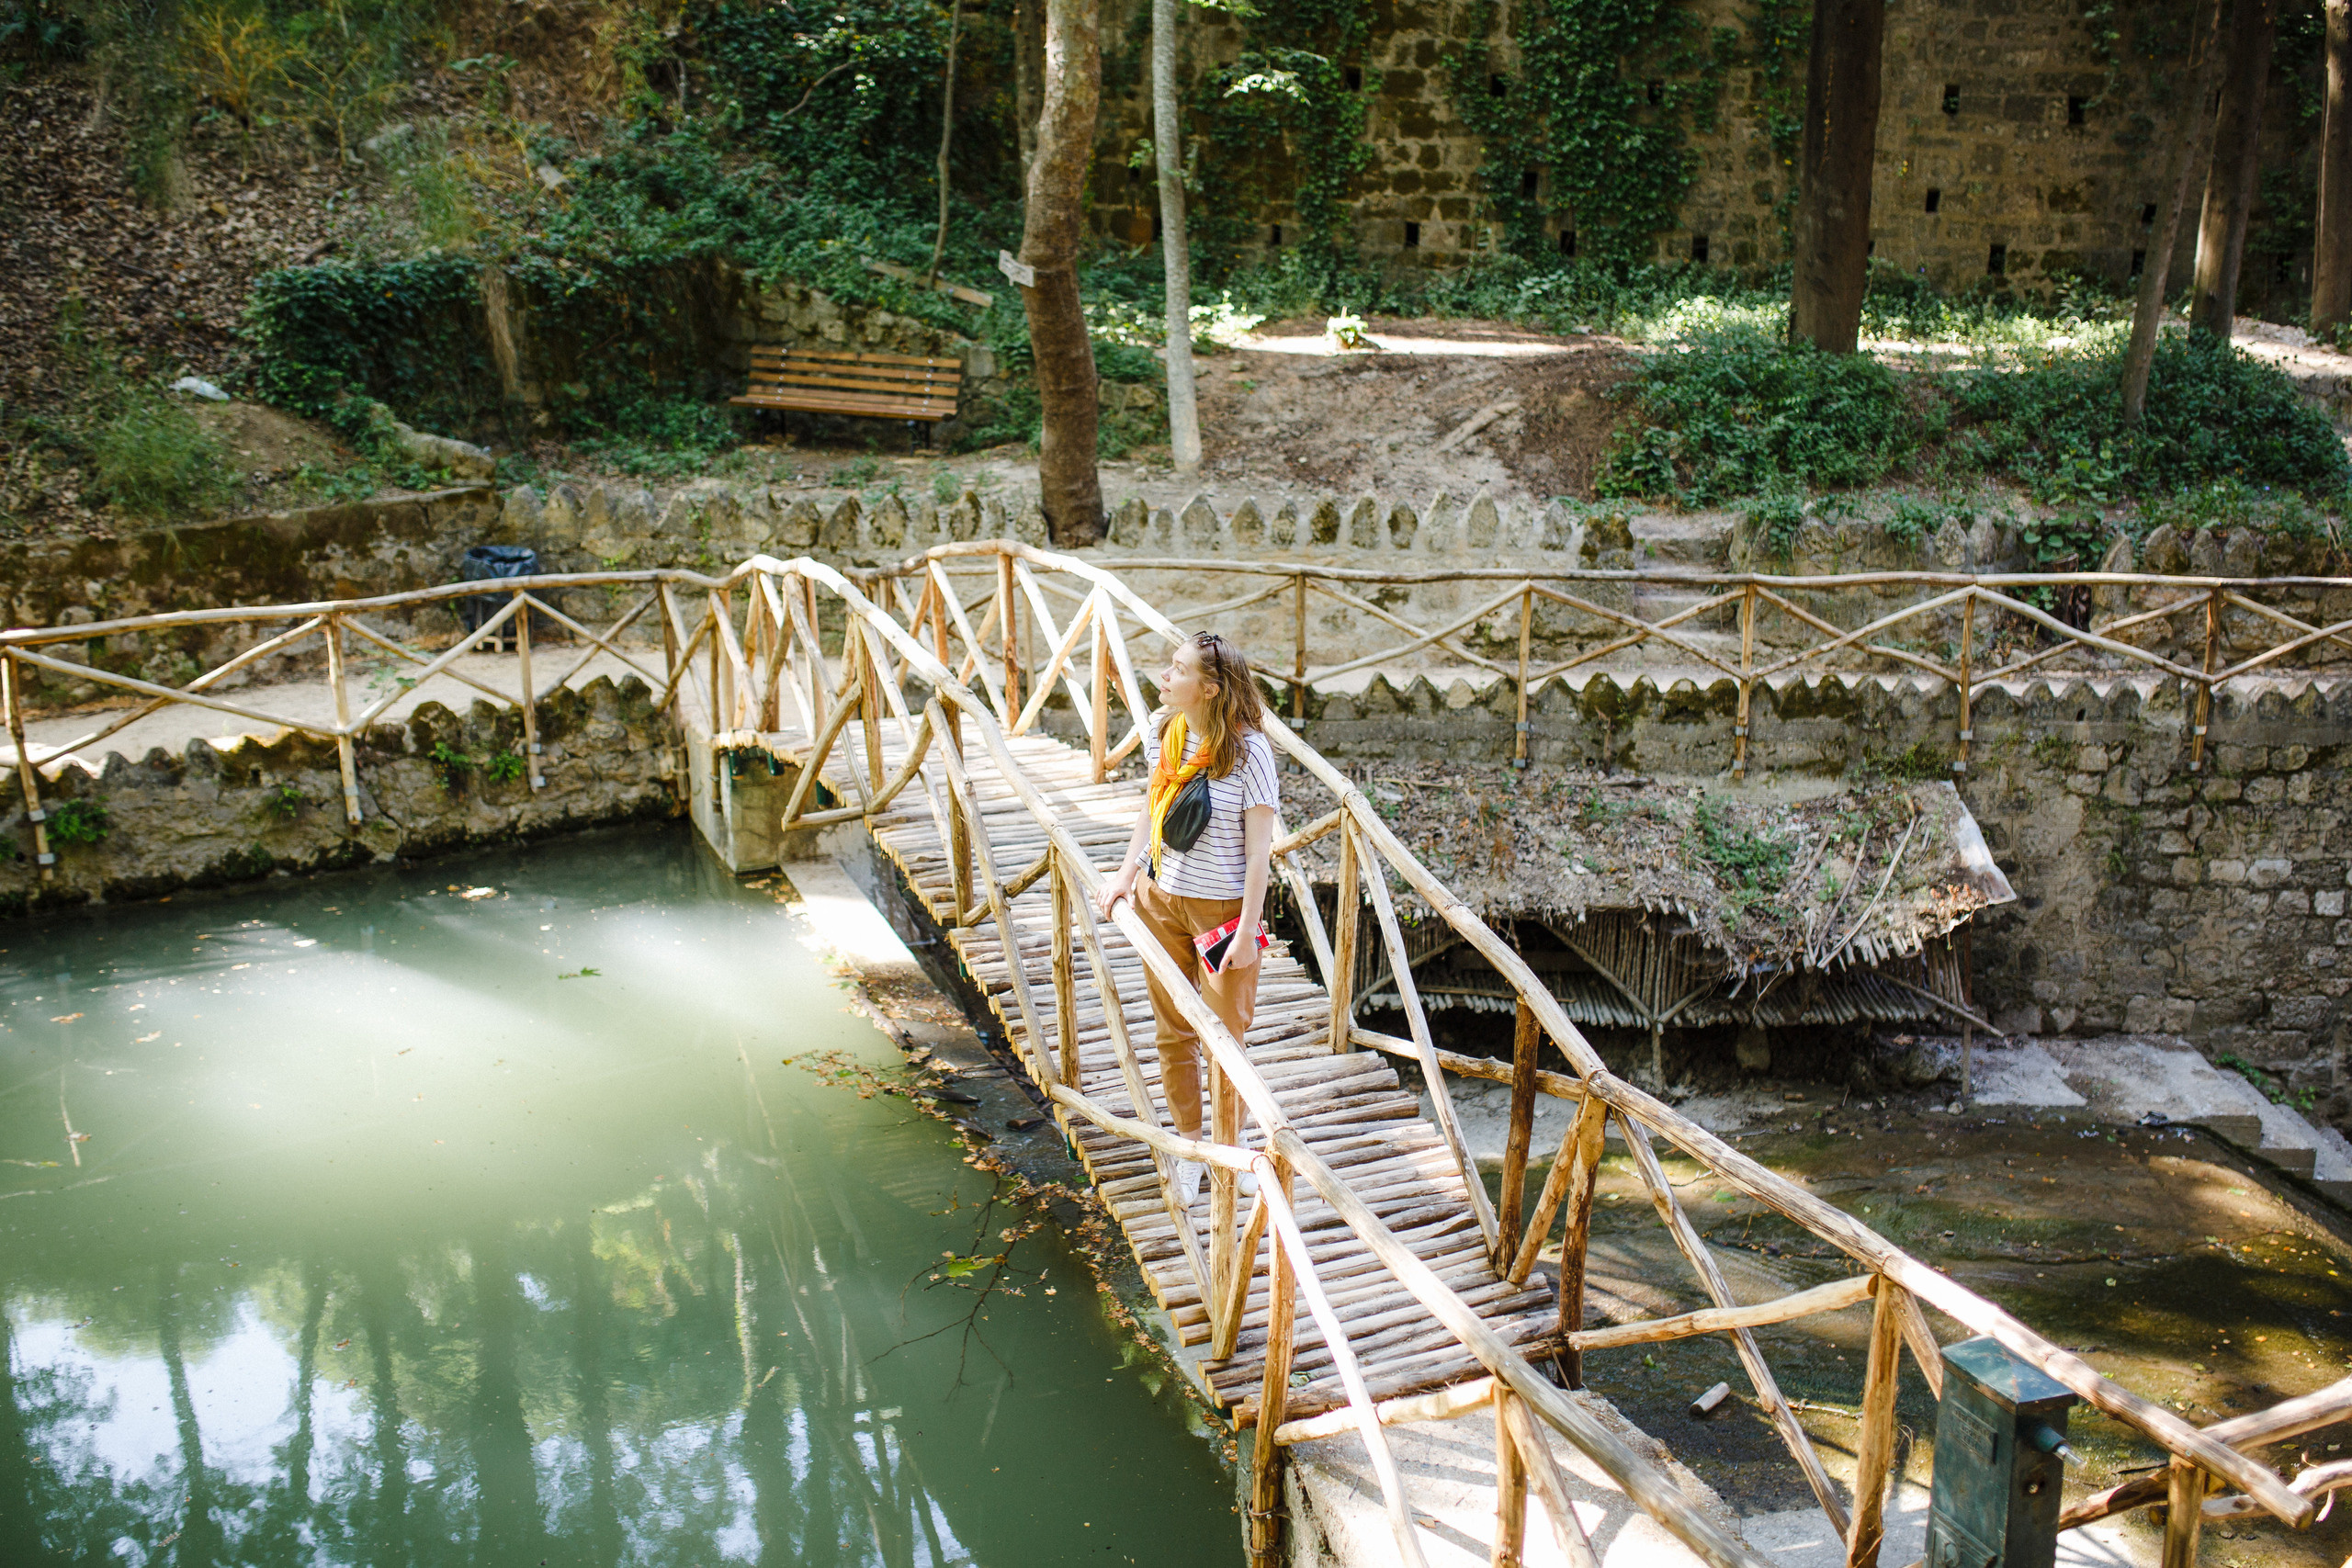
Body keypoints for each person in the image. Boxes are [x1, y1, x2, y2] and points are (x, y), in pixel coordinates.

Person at [1096, 631, 1279, 1207]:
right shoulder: (1164, 730)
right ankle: (1191, 1146)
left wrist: (1247, 933)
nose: (1165, 676)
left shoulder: (1249, 754)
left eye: (1178, 669)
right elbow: (1151, 807)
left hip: (1220, 912)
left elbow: (1259, 854)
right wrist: (1126, 872)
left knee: (1225, 1037)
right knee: (1172, 1030)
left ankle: (1230, 1146)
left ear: (1211, 688)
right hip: (1159, 899)